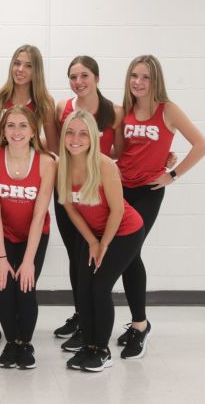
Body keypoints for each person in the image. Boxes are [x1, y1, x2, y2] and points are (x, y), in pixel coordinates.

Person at [115, 55, 205, 359]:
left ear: (155, 81)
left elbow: (202, 145)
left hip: (149, 190)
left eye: (145, 77)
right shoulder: (124, 110)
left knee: (130, 253)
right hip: (121, 189)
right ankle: (137, 323)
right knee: (128, 255)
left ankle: (140, 325)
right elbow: (119, 151)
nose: (138, 82)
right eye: (134, 75)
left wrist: (172, 174)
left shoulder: (167, 110)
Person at [0, 45, 57, 342]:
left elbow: (52, 145)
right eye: (16, 63)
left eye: (28, 65)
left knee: (23, 255)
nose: (20, 70)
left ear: (37, 70)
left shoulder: (44, 102)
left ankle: (19, 325)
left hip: (29, 177)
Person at [58, 110, 145, 372]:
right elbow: (70, 208)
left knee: (100, 287)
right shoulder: (61, 165)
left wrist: (103, 244)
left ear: (93, 138)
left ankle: (102, 351)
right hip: (93, 234)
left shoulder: (104, 165)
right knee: (83, 289)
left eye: (83, 133)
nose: (75, 139)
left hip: (124, 231)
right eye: (70, 132)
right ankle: (89, 346)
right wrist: (92, 242)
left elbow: (117, 211)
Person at [52, 56, 124, 352]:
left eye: (84, 75)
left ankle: (93, 325)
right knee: (77, 258)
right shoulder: (62, 108)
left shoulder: (114, 112)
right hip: (70, 191)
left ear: (97, 78)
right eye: (73, 76)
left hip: (98, 192)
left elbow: (120, 151)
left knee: (96, 261)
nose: (78, 82)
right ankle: (82, 317)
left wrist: (165, 160)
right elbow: (56, 145)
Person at [0, 105, 55, 369]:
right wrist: (0, 258)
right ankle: (11, 342)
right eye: (11, 125)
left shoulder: (46, 162)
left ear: (34, 131)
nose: (16, 131)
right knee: (3, 287)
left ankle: (25, 343)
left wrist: (28, 261)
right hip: (4, 234)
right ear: (3, 130)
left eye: (23, 125)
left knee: (25, 287)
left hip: (33, 235)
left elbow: (39, 215)